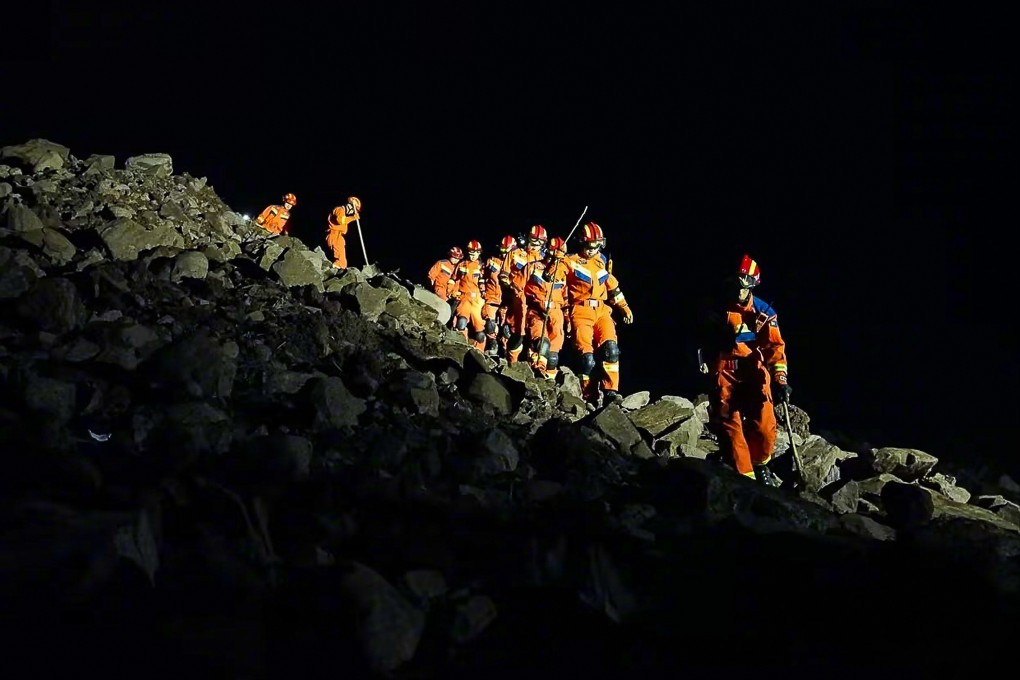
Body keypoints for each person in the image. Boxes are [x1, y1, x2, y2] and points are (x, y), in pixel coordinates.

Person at [696, 254, 790, 487]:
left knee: (765, 425)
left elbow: (775, 348)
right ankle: (744, 480)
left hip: (753, 369)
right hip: (724, 370)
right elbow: (699, 339)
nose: (738, 290)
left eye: (743, 284)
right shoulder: (715, 308)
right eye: (736, 283)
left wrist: (780, 379)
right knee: (731, 426)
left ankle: (760, 463)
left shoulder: (763, 312)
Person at [563, 221, 634, 404]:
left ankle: (611, 391)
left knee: (611, 350)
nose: (593, 249)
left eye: (597, 245)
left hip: (602, 311)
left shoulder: (601, 260)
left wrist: (624, 306)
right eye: (590, 245)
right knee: (587, 359)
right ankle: (589, 395)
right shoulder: (569, 262)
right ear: (581, 243)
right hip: (580, 311)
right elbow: (555, 281)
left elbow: (612, 286)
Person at [523, 236, 569, 379]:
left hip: (556, 315)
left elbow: (566, 297)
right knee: (542, 345)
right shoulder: (533, 267)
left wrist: (568, 319)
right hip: (536, 311)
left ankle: (549, 382)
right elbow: (519, 289)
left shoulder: (563, 273)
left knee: (553, 356)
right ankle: (536, 373)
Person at [500, 224, 547, 363]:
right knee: (517, 337)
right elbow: (504, 274)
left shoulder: (544, 262)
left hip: (535, 303)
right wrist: (509, 287)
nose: (535, 245)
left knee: (539, 341)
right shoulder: (514, 254)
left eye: (539, 243)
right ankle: (511, 366)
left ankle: (536, 372)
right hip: (516, 300)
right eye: (533, 241)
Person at [449, 240, 487, 351]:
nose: (473, 255)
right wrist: (451, 292)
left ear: (479, 253)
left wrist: (485, 295)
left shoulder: (481, 267)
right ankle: (461, 348)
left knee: (480, 332)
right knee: (461, 323)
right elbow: (453, 279)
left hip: (477, 299)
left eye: (475, 253)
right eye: (471, 253)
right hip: (464, 297)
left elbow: (485, 282)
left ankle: (480, 354)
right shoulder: (461, 265)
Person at [482, 235, 516, 357]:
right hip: (491, 297)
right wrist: (482, 290)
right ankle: (492, 346)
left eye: (507, 252)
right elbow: (482, 275)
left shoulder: (516, 265)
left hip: (507, 301)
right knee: (490, 324)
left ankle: (506, 354)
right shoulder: (492, 261)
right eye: (502, 251)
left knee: (507, 330)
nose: (504, 254)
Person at [428, 246, 464, 320]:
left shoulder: (458, 269)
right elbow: (431, 276)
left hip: (451, 294)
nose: (456, 260)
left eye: (458, 259)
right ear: (450, 255)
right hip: (440, 290)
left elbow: (457, 283)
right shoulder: (441, 263)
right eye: (454, 257)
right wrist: (431, 290)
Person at [326, 196, 361, 268]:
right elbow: (340, 220)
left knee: (341, 256)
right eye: (354, 209)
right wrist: (353, 218)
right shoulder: (339, 210)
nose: (353, 212)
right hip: (334, 235)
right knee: (340, 258)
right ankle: (337, 268)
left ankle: (339, 268)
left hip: (338, 235)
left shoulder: (343, 213)